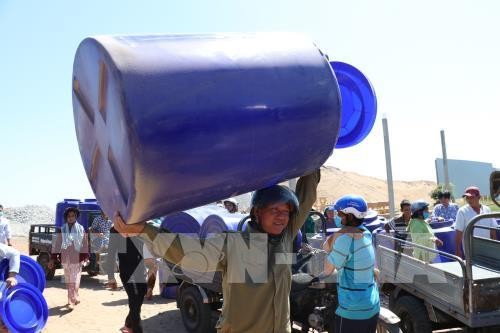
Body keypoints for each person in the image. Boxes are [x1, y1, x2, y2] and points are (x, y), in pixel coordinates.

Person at [112, 170, 320, 333]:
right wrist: (144, 229)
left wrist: (314, 157)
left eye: (285, 212)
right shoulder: (234, 245)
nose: (282, 217)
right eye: (275, 210)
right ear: (257, 212)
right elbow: (185, 251)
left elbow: (306, 197)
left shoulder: (283, 239)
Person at [322, 195, 380, 333]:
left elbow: (327, 269)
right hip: (372, 305)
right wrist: (343, 230)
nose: (338, 217)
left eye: (340, 214)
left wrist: (341, 234)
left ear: (350, 216)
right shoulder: (366, 232)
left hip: (353, 310)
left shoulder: (345, 240)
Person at [105, 226, 151, 333]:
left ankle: (128, 325)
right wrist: (111, 277)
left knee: (138, 301)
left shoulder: (141, 225)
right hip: (127, 272)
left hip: (141, 270)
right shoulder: (115, 229)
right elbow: (111, 254)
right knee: (135, 306)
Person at [48, 207, 89, 310]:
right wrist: (52, 259)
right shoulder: (62, 230)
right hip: (65, 258)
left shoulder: (81, 229)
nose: (71, 218)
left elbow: (85, 244)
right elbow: (57, 245)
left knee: (74, 280)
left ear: (76, 217)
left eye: (73, 216)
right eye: (69, 216)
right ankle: (75, 297)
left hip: (77, 258)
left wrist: (86, 257)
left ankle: (71, 301)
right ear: (66, 218)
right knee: (69, 280)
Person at [455, 186, 497, 258]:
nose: (469, 200)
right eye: (467, 198)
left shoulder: (487, 209)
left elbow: (492, 230)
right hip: (471, 250)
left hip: (487, 249)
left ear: (479, 197)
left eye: (472, 197)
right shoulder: (462, 211)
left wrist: (495, 247)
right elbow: (459, 232)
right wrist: (458, 250)